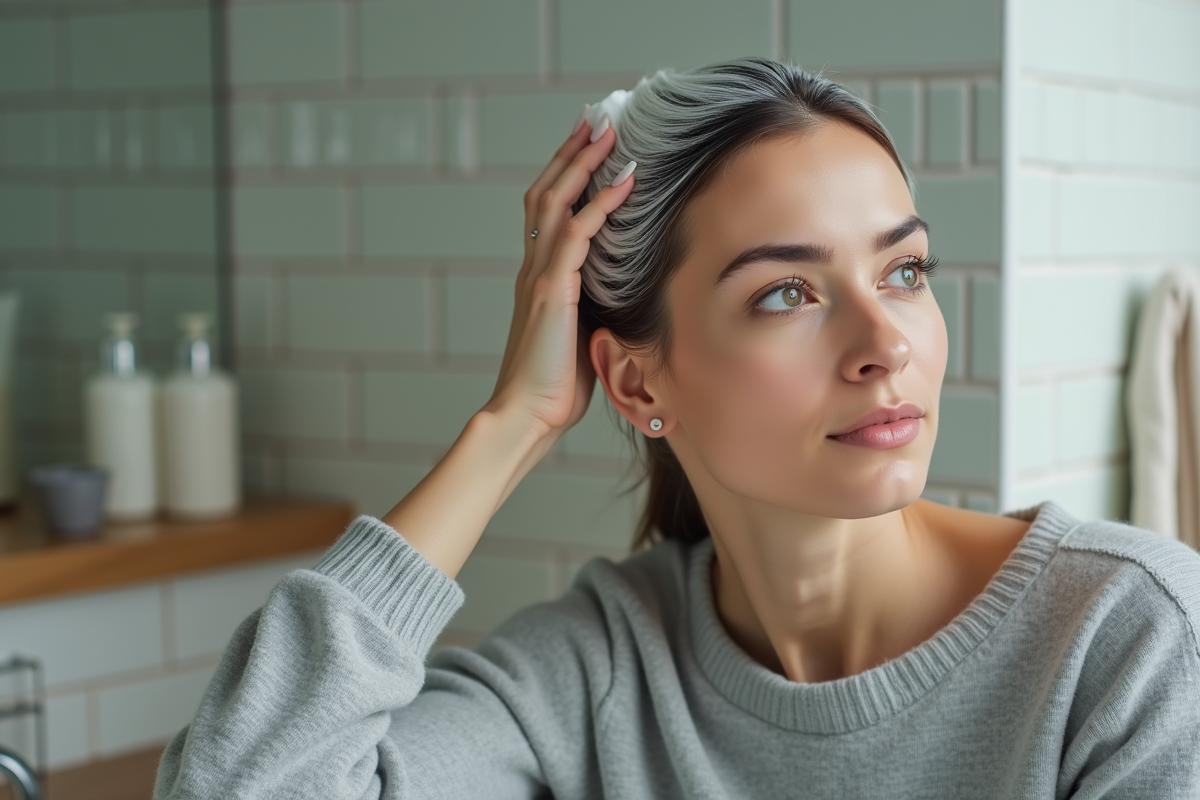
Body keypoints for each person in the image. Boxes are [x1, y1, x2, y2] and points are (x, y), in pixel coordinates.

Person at [153, 57, 1200, 799]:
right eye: (789, 292)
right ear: (637, 379)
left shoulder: (1130, 637)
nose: (887, 341)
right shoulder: (604, 666)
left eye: (904, 270)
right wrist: (514, 420)